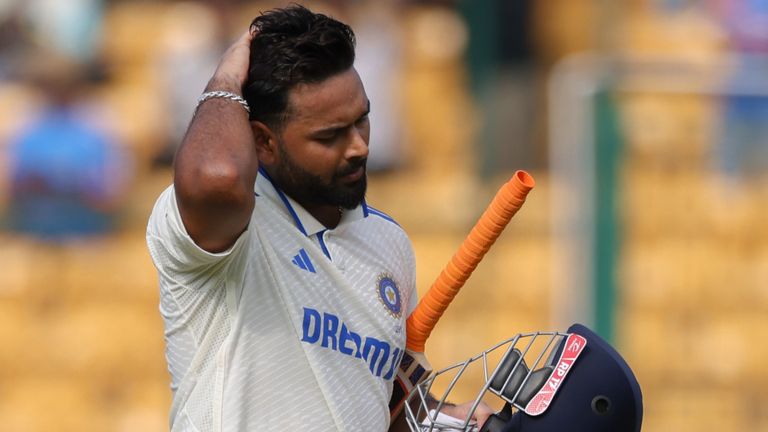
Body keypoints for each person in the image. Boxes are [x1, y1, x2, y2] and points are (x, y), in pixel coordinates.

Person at [146, 5, 490, 431]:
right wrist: (225, 80)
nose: (359, 147)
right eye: (329, 136)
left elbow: (393, 407)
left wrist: (449, 419)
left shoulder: (387, 242)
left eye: (362, 120)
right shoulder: (228, 225)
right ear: (263, 142)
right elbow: (219, 178)